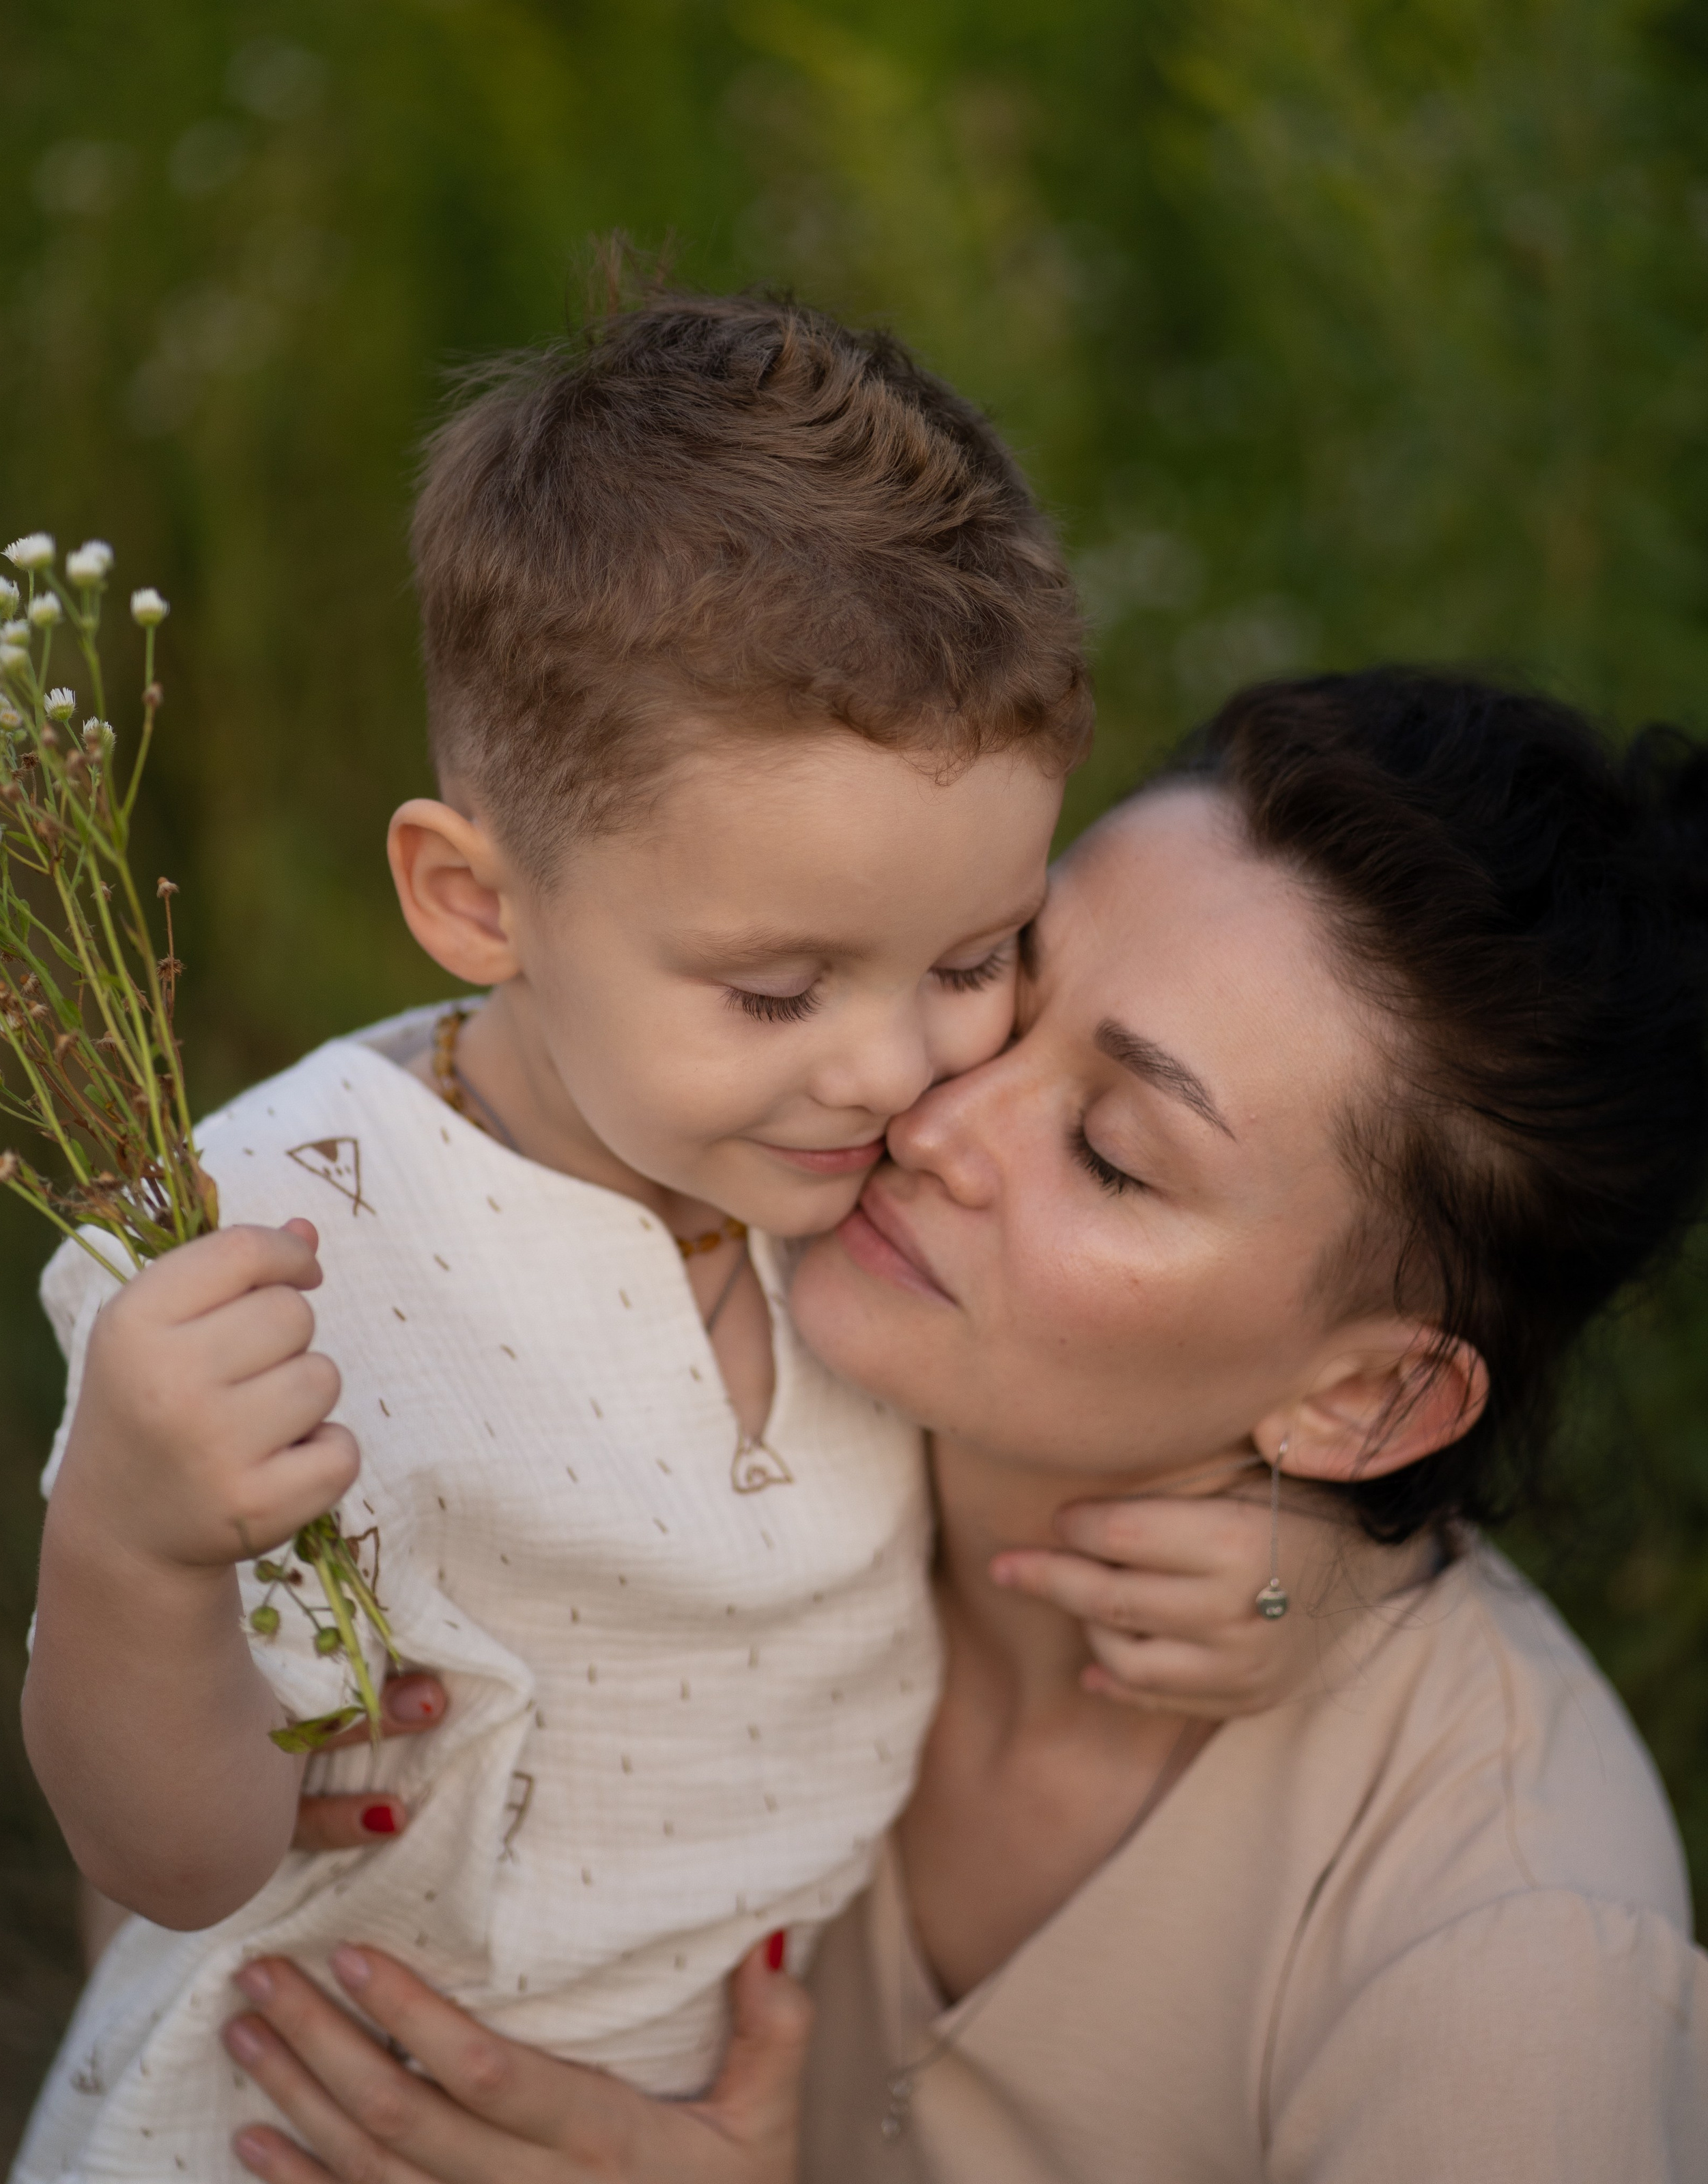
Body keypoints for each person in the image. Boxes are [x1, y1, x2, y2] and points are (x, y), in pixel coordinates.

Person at [14, 291, 1298, 2183]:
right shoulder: (282, 1243)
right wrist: (134, 1547)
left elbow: (1166, 1391)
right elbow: (172, 1861)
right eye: (775, 990)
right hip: (301, 2126)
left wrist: (1298, 1570)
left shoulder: (908, 1174)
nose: (893, 1070)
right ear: (476, 901)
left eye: (972, 957)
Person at [216, 670, 1708, 2183]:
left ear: (1362, 1400)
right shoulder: (717, 1310)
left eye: (1112, 1154)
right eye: (991, 976)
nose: (924, 1119)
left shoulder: (1512, 1962)